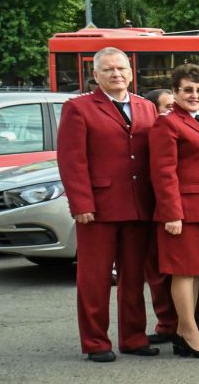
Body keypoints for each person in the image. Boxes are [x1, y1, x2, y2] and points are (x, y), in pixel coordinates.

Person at [58, 46, 162, 362]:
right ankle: (95, 341)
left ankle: (133, 337)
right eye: (108, 70)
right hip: (98, 208)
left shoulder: (146, 107)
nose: (116, 75)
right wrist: (81, 203)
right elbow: (72, 160)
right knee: (95, 278)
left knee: (134, 276)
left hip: (138, 206)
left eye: (121, 69)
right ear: (96, 75)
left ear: (131, 72)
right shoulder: (79, 108)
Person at [148, 63, 199, 358]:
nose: (195, 95)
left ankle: (184, 330)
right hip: (183, 211)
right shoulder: (167, 123)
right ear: (175, 92)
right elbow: (164, 172)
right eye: (188, 90)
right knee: (184, 273)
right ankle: (188, 331)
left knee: (197, 273)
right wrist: (172, 214)